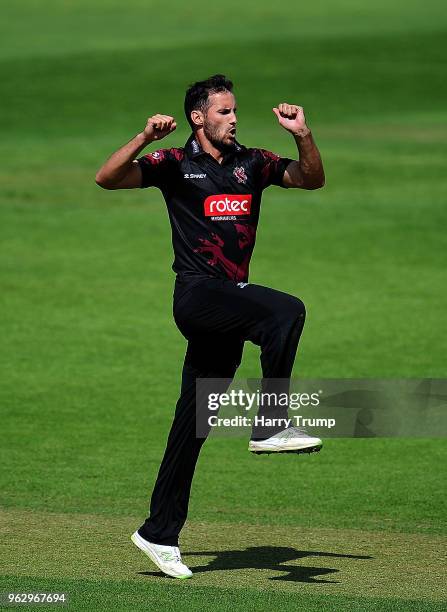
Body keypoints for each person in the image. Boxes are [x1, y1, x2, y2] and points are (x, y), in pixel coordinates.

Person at [95, 74, 325, 579]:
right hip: (198, 295)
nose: (234, 118)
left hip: (227, 304)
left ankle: (157, 532)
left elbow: (311, 180)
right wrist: (144, 137)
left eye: (235, 110)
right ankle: (270, 423)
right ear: (198, 118)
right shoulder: (175, 164)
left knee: (191, 425)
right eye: (223, 112)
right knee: (286, 311)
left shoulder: (253, 162)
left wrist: (302, 135)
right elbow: (107, 178)